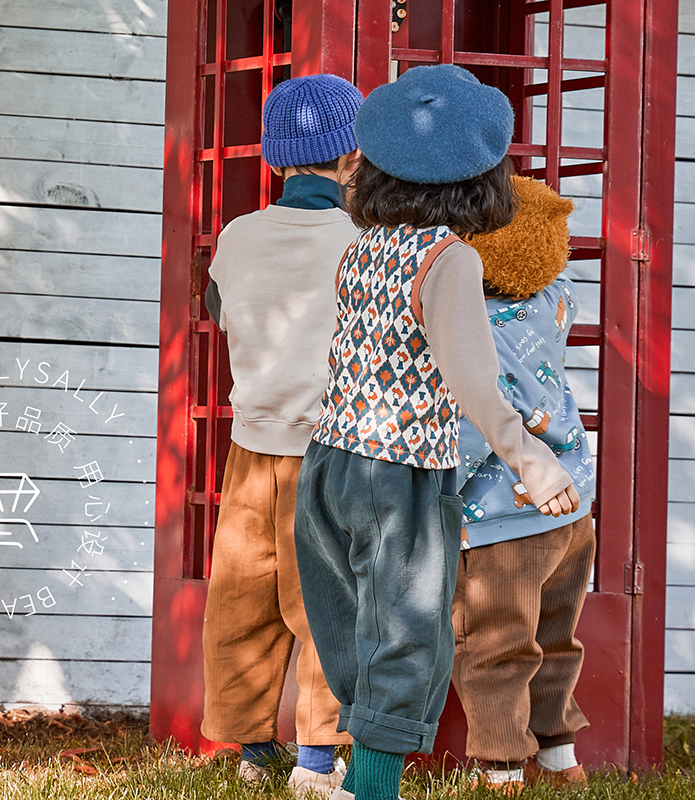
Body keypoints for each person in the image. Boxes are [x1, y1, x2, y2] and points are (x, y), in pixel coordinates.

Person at [293, 65, 581, 800]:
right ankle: (373, 789)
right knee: (407, 642)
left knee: (352, 629)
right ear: (486, 181)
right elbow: (472, 380)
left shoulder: (361, 250)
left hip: (329, 462)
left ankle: (354, 770)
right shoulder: (450, 259)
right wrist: (532, 461)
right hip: (401, 471)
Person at [201, 73, 363, 796]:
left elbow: (220, 308)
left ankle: (252, 745)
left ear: (274, 159)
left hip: (251, 447)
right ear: (354, 158)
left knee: (241, 601)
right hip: (329, 455)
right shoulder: (363, 241)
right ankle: (318, 762)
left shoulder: (237, 236)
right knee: (328, 609)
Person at [452, 175, 597, 790]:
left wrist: (433, 490)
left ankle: (502, 767)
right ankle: (560, 760)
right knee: (555, 638)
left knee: (498, 645)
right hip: (573, 511)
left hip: (503, 517)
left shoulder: (472, 325)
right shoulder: (558, 298)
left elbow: (475, 426)